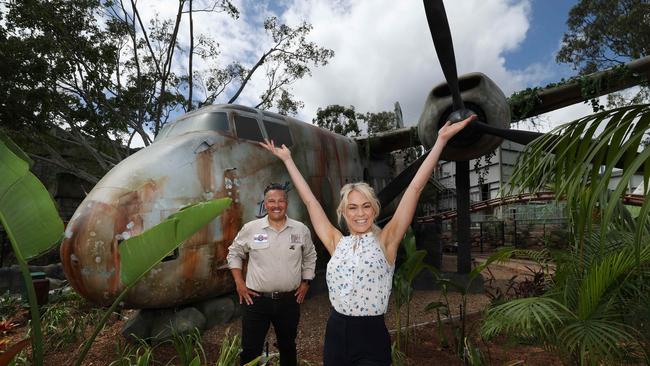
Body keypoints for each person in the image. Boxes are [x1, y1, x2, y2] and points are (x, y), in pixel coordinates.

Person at [260, 115, 475, 366]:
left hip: (371, 336)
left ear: (373, 210)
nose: (359, 213)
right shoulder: (336, 242)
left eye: (365, 207)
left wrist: (440, 141)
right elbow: (310, 201)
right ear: (344, 212)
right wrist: (288, 160)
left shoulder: (387, 241)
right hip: (336, 332)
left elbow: (414, 188)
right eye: (352, 208)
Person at [227, 183, 317, 366]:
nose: (277, 205)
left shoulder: (300, 230)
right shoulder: (251, 229)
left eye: (281, 201)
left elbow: (310, 256)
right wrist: (239, 283)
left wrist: (306, 281)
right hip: (256, 301)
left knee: (288, 346)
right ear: (265, 204)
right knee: (251, 349)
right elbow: (234, 253)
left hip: (289, 301)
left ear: (287, 203)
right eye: (271, 201)